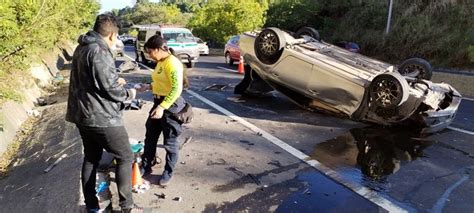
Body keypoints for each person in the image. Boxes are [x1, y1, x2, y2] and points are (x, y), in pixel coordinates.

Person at [66, 14, 141, 213]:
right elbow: (110, 88)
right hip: (101, 117)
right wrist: (130, 93)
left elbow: (94, 80)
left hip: (82, 114)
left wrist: (116, 81)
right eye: (116, 36)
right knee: (125, 156)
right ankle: (127, 207)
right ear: (112, 34)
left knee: (91, 158)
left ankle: (92, 206)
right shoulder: (99, 50)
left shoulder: (82, 47)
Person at [136, 35, 186, 186]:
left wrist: (162, 107)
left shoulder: (172, 63)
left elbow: (176, 88)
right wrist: (148, 87)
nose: (149, 55)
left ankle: (168, 172)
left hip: (170, 106)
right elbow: (161, 82)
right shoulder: (161, 62)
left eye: (150, 52)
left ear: (158, 50)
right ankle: (146, 166)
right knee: (150, 135)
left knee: (170, 142)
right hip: (158, 102)